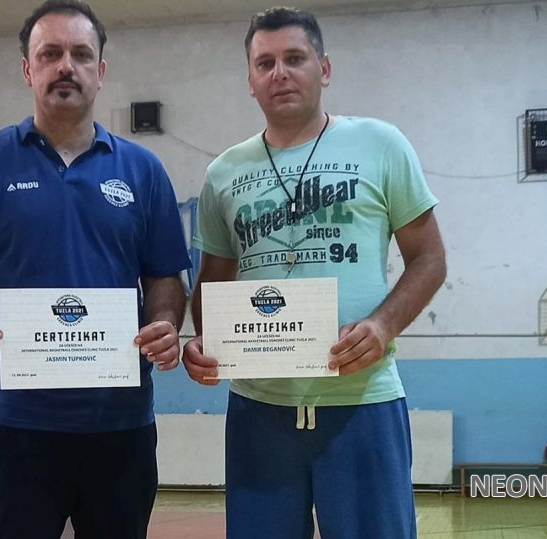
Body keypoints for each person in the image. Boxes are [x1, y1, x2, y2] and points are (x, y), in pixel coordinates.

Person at [0, 1, 190, 537]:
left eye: (81, 54)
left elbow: (165, 278)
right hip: (18, 425)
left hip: (120, 424)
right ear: (28, 69)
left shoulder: (144, 170)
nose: (66, 66)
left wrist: (165, 324)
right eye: (50, 54)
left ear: (100, 71)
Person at [181, 7, 446, 538]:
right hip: (259, 409)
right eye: (265, 63)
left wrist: (382, 326)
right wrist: (205, 343)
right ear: (250, 81)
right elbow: (212, 281)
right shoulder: (223, 173)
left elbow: (430, 259)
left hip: (361, 400)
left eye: (294, 58)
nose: (280, 73)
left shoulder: (381, 144)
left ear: (323, 69)